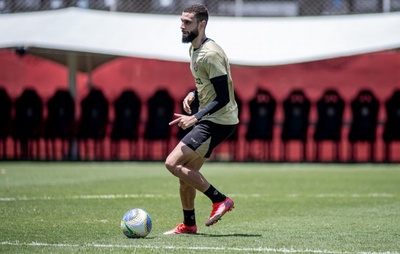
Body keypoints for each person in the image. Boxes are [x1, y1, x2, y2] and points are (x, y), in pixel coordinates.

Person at [163, 3, 239, 235]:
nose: (182, 26)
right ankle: (188, 225)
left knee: (172, 163)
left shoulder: (211, 53)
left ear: (202, 24)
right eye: (181, 21)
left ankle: (220, 200)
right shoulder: (195, 50)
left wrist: (195, 117)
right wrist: (194, 93)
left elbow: (224, 97)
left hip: (218, 121)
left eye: (187, 22)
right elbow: (211, 84)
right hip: (213, 119)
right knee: (185, 174)